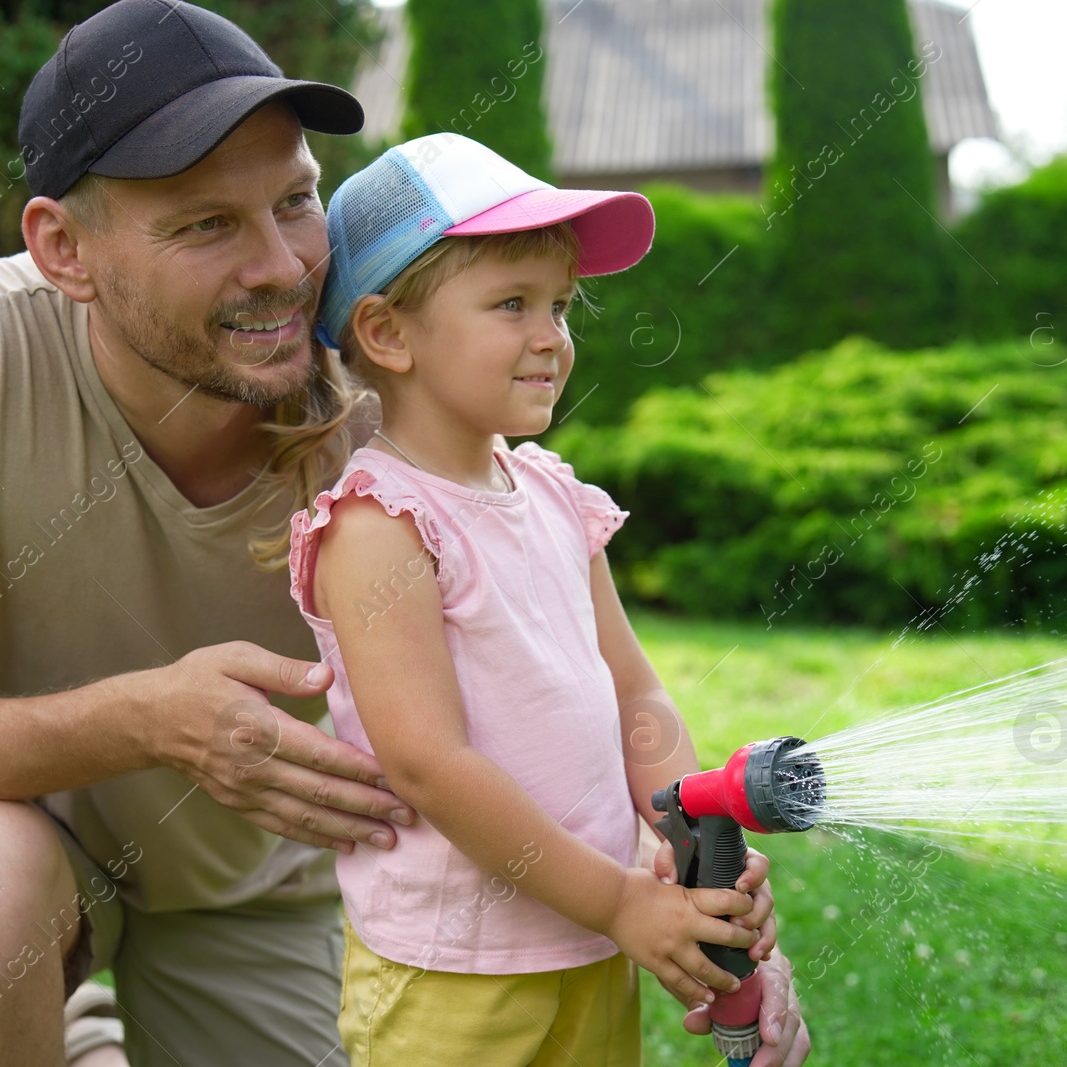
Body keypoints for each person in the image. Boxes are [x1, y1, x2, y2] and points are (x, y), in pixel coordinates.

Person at [0, 1, 809, 1064]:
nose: (280, 266)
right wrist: (141, 720)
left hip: (265, 885)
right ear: (63, 248)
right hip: (22, 843)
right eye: (206, 224)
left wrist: (697, 888)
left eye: (295, 200)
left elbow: (585, 693)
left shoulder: (393, 398)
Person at [286, 134, 809, 1066]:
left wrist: (688, 852)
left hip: (591, 943)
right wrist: (618, 898)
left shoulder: (555, 496)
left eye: (561, 305)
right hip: (451, 975)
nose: (552, 336)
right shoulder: (380, 527)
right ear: (388, 333)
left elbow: (635, 697)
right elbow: (429, 764)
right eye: (511, 304)